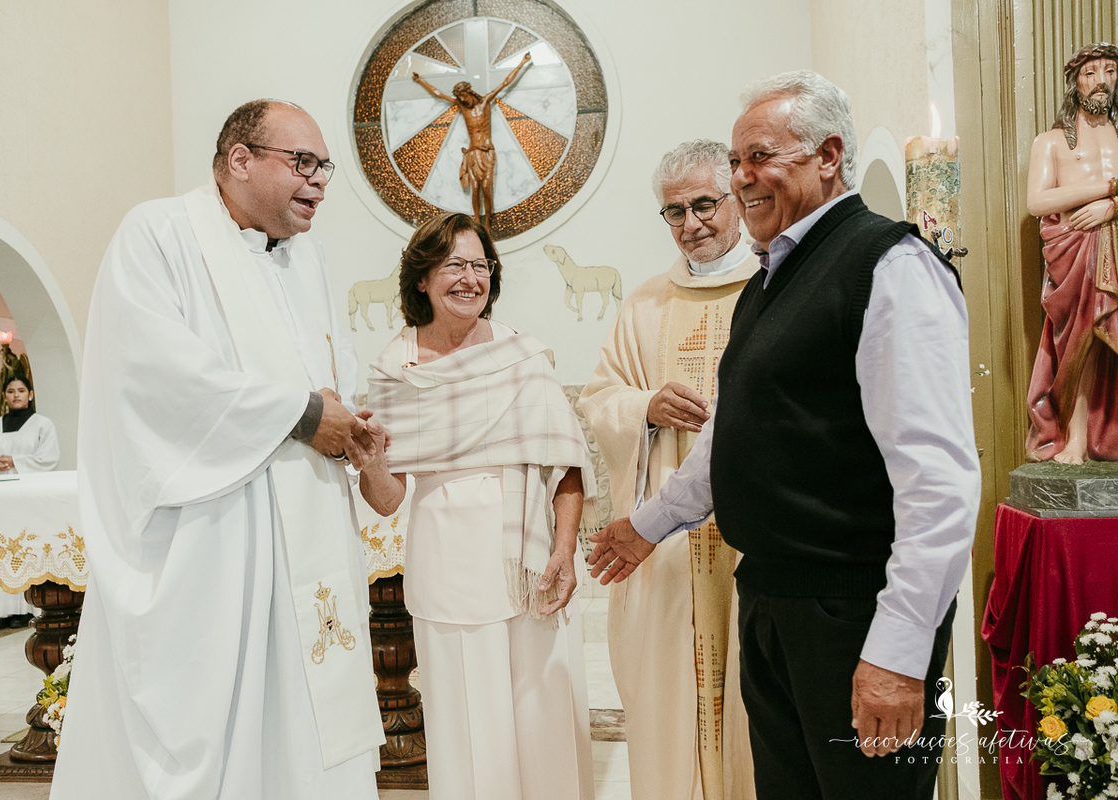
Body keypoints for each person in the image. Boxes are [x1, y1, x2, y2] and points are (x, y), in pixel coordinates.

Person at [587, 70, 980, 800]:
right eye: (736, 161)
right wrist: (648, 524)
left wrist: (899, 652)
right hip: (771, 600)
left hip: (851, 610)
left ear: (828, 155)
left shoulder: (888, 266)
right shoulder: (771, 281)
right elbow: (734, 433)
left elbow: (939, 481)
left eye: (760, 157)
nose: (741, 177)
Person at [51, 99, 385, 799]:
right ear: (240, 160)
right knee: (222, 728)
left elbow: (332, 368)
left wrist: (348, 422)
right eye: (303, 162)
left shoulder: (309, 258)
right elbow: (156, 378)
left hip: (307, 531)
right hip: (216, 541)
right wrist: (304, 415)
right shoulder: (159, 234)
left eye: (325, 168)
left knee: (303, 728)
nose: (320, 181)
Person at [360, 212, 595, 800]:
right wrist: (370, 460)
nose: (470, 279)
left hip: (529, 562)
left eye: (480, 265)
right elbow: (387, 500)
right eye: (454, 266)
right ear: (422, 278)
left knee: (541, 715)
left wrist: (565, 550)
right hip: (446, 562)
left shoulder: (521, 356)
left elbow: (567, 463)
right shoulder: (394, 369)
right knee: (466, 721)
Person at [578, 139, 757, 800]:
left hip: (752, 541)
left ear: (737, 199)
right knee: (669, 700)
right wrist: (645, 407)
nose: (692, 224)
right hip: (669, 549)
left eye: (705, 204)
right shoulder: (647, 304)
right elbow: (600, 398)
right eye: (675, 212)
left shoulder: (773, 286)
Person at [1026, 42, 1118, 463]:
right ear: (1075, 82)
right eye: (1090, 73)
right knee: (1082, 343)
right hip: (1075, 252)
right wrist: (1107, 189)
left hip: (1114, 241)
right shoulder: (1051, 142)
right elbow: (1038, 202)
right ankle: (1076, 438)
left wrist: (1111, 207)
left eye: (1110, 71)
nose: (1101, 81)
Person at [0, 374, 58, 628]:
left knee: (24, 545)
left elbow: (49, 457)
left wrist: (15, 461)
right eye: (10, 391)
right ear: (4, 396)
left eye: (21, 390)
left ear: (30, 394)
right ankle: (2, 611)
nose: (16, 395)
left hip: (27, 495)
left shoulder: (42, 425)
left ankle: (26, 609)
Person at [412, 53, 531, 230]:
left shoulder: (485, 102)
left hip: (487, 152)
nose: (462, 100)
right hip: (473, 152)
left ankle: (488, 220)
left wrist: (522, 63)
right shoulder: (462, 107)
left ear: (469, 92)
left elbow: (505, 83)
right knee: (475, 188)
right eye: (459, 97)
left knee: (487, 188)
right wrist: (421, 80)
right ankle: (476, 219)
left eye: (463, 96)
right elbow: (439, 94)